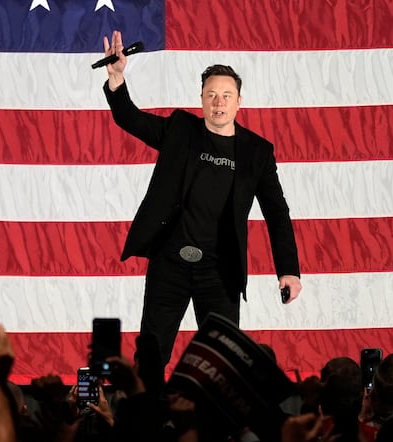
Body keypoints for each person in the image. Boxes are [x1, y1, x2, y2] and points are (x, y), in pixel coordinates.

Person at [99, 30, 302, 365]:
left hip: (219, 271)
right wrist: (117, 79)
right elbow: (129, 118)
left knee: (221, 359)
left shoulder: (257, 153)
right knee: (150, 356)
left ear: (239, 101)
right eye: (211, 95)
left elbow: (277, 214)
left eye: (226, 95)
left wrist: (289, 270)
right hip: (170, 265)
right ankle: (145, 415)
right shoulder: (181, 130)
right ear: (202, 99)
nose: (218, 102)